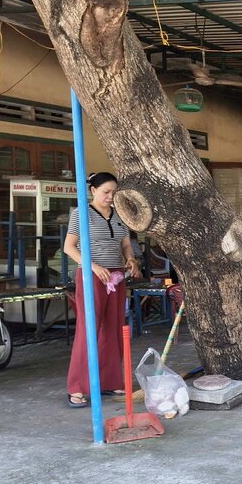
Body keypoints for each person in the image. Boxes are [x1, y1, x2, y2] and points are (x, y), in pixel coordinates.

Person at [64, 172, 141, 408]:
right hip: (91, 276)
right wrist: (93, 266)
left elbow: (126, 244)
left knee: (114, 328)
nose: (110, 196)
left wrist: (131, 259)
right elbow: (69, 247)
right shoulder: (81, 214)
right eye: (106, 192)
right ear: (93, 191)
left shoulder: (119, 215)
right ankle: (77, 387)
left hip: (116, 277)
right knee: (89, 329)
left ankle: (110, 380)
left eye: (113, 192)